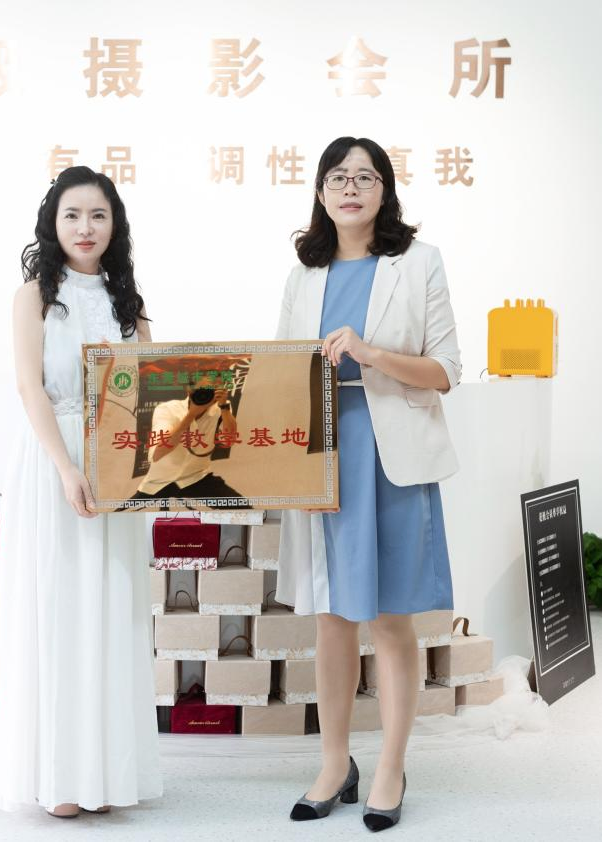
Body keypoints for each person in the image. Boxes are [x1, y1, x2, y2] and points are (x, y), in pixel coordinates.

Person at [275, 137, 462, 832]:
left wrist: (370, 353)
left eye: (365, 176)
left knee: (389, 618)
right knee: (331, 616)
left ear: (385, 190)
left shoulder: (420, 262)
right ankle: (334, 764)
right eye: (337, 177)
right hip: (323, 455)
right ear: (321, 193)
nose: (350, 188)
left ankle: (391, 766)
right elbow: (282, 368)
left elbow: (445, 371)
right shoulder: (304, 272)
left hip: (392, 456)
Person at [0, 166, 162, 818]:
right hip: (53, 462)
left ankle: (106, 776)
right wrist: (66, 467)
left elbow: (151, 391)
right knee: (58, 610)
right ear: (52, 223)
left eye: (98, 215)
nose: (85, 227)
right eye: (72, 215)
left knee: (111, 610)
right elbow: (29, 387)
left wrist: (150, 474)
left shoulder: (130, 304)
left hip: (116, 467)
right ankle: (59, 778)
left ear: (114, 225)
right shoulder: (33, 297)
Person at [127, 370, 246, 506]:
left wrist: (224, 407)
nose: (209, 394)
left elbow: (229, 441)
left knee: (243, 506)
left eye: (215, 389)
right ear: (190, 390)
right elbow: (158, 453)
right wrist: (191, 415)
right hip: (159, 482)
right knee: (124, 512)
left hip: (197, 478)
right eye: (204, 389)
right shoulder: (168, 409)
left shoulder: (221, 408)